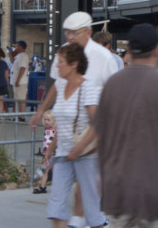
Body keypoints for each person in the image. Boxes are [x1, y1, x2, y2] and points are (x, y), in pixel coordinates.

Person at [90, 24, 158, 228]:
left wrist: (101, 174)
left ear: (129, 51)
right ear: (157, 51)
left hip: (120, 195)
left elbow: (100, 136)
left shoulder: (111, 85)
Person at [31, 12, 122, 129]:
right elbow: (58, 84)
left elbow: (115, 95)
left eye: (75, 33)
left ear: (88, 33)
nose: (70, 37)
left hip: (92, 132)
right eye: (67, 32)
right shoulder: (63, 52)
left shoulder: (104, 57)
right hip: (65, 130)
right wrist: (41, 110)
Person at [49, 43, 104, 228]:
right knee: (56, 204)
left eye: (61, 61)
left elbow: (98, 124)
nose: (57, 65)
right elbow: (63, 121)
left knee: (91, 208)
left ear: (74, 64)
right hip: (63, 154)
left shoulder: (88, 88)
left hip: (86, 155)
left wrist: (78, 148)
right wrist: (52, 146)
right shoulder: (61, 86)